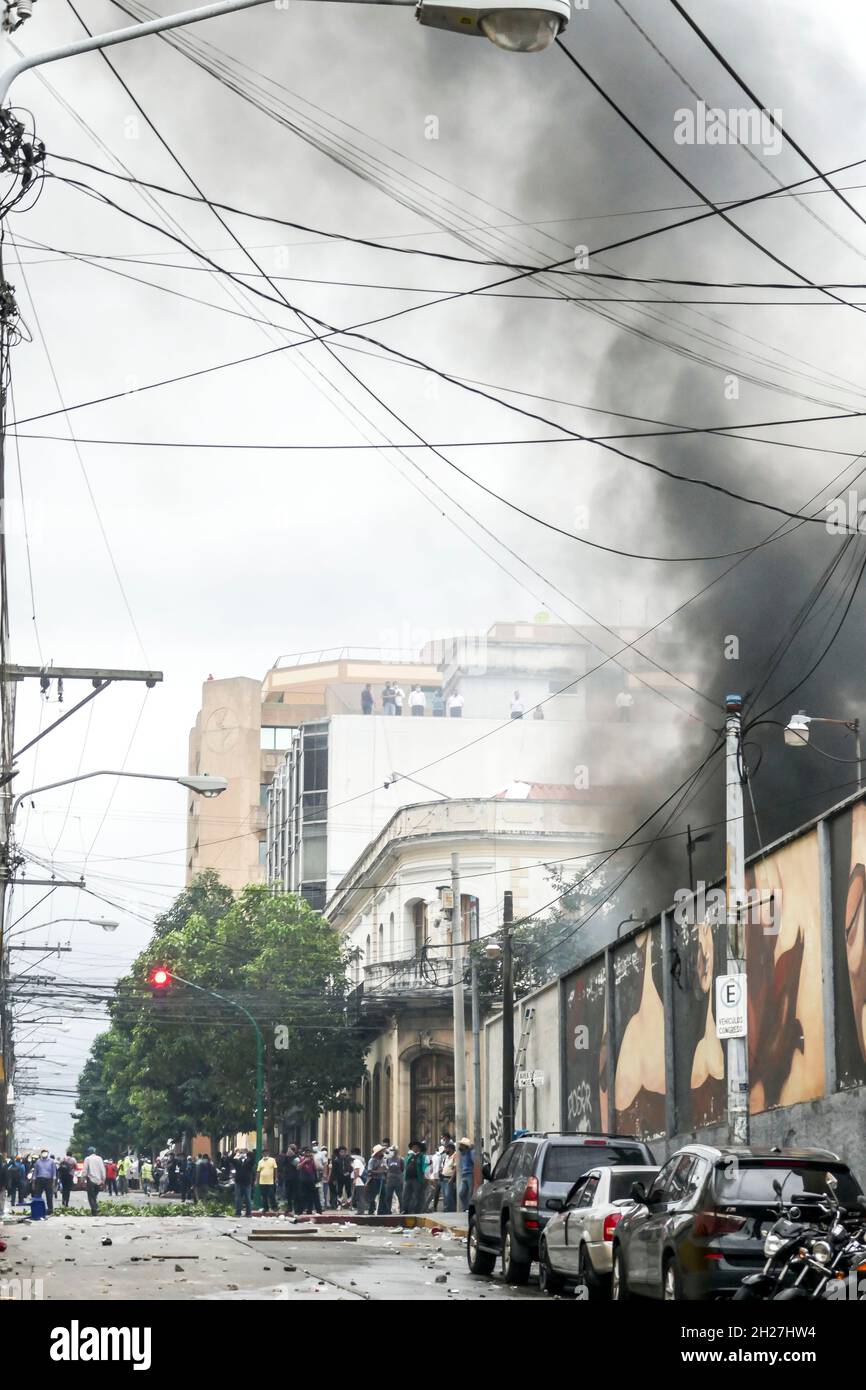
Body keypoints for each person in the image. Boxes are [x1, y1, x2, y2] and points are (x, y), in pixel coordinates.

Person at [402, 1141, 428, 1214]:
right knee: (406, 1195)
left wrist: (425, 1177)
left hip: (417, 1179)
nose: (414, 1148)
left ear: (419, 1148)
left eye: (416, 1147)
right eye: (413, 1147)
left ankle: (417, 1210)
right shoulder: (409, 1156)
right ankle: (405, 1210)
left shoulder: (423, 1157)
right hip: (408, 1179)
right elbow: (405, 1166)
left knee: (417, 1195)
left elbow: (425, 1167)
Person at [32, 1149, 57, 1215]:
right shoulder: (38, 1162)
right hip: (39, 1179)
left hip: (49, 1180)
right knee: (37, 1196)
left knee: (49, 1196)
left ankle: (50, 1210)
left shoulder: (51, 1161)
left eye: (45, 1152)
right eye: (43, 1152)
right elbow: (35, 1172)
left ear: (48, 1153)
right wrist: (33, 1183)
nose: (44, 1153)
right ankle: (37, 1209)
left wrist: (54, 1182)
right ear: (41, 1153)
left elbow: (54, 1172)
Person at [381, 1145, 404, 1214]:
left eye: (393, 1151)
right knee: (388, 1196)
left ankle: (402, 1210)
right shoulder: (388, 1160)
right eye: (391, 1150)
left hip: (398, 1180)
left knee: (400, 1196)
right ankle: (388, 1211)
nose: (392, 1152)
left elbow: (402, 1169)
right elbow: (385, 1169)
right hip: (389, 1181)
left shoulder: (401, 1159)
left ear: (397, 1151)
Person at [231, 1148, 255, 1217]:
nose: (242, 1154)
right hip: (238, 1182)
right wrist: (235, 1153)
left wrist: (248, 1152)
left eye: (243, 1153)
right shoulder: (237, 1161)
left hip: (247, 1182)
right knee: (238, 1198)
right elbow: (230, 1159)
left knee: (247, 1198)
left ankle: (248, 1213)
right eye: (241, 1153)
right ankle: (238, 1213)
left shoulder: (249, 1162)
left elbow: (253, 1159)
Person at [82, 1147, 105, 1216]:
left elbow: (85, 1170)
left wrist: (83, 1179)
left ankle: (95, 1210)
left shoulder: (87, 1159)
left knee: (91, 1197)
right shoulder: (99, 1158)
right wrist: (103, 1180)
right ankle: (95, 1209)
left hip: (91, 1180)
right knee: (94, 1196)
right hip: (98, 1180)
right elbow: (102, 1170)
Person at [297, 1147, 321, 1214]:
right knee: (303, 1196)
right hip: (304, 1181)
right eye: (307, 1153)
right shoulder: (302, 1159)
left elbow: (316, 1168)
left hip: (313, 1181)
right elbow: (298, 1167)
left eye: (309, 1153)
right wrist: (305, 1161)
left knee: (314, 1196)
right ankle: (300, 1210)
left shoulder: (313, 1160)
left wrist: (313, 1159)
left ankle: (313, 1210)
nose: (308, 1154)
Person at [365, 1144, 387, 1214]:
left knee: (383, 1195)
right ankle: (371, 1210)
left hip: (382, 1179)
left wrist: (384, 1170)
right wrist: (379, 1171)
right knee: (373, 1196)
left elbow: (385, 1168)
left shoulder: (383, 1160)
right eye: (381, 1151)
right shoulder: (372, 1160)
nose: (382, 1153)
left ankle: (382, 1210)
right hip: (374, 1180)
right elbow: (369, 1171)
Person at [457, 1138, 475, 1212]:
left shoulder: (471, 1152)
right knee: (461, 1193)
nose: (460, 1146)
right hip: (464, 1174)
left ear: (465, 1146)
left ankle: (470, 1208)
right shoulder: (462, 1154)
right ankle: (466, 1207)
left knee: (470, 1192)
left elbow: (474, 1162)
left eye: (461, 1145)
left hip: (470, 1174)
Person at [440, 1142, 457, 1211]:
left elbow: (456, 1168)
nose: (446, 1150)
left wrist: (452, 1179)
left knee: (448, 1195)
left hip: (449, 1178)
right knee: (445, 1195)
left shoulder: (455, 1156)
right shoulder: (446, 1157)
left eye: (447, 1148)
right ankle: (446, 1209)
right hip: (443, 1178)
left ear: (451, 1149)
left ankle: (450, 1210)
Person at [350, 1148, 366, 1212]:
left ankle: (361, 1211)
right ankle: (359, 1210)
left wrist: (354, 1180)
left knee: (360, 1196)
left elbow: (357, 1171)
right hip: (358, 1180)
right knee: (358, 1196)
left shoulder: (356, 1161)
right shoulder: (361, 1159)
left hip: (359, 1180)